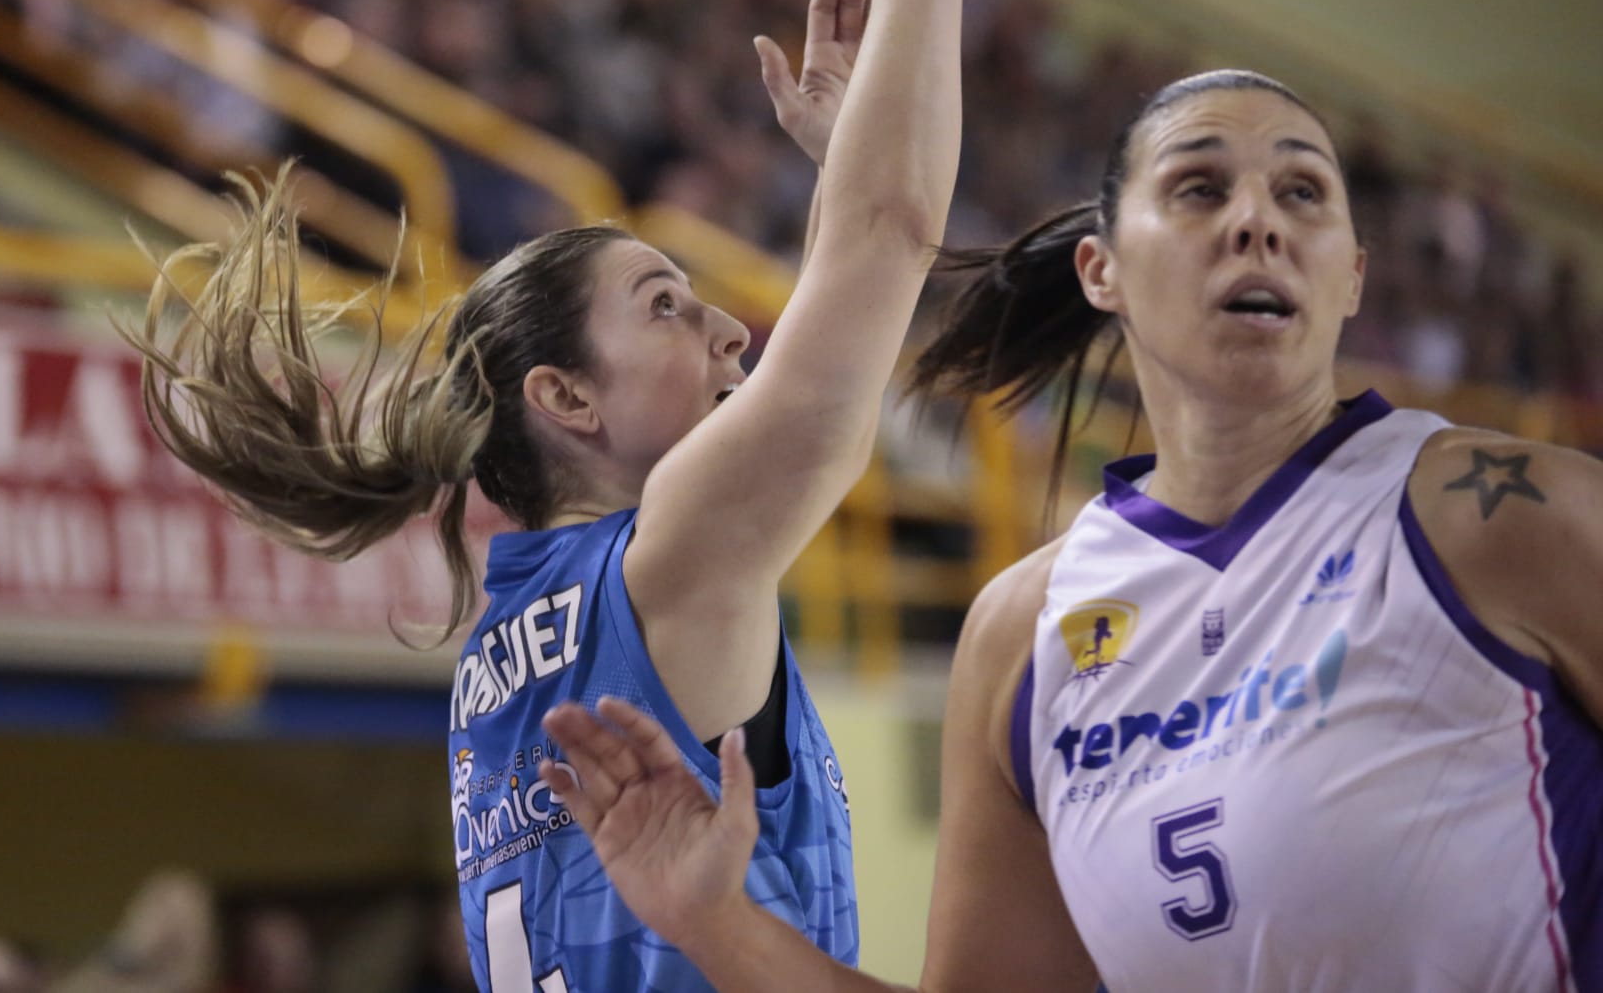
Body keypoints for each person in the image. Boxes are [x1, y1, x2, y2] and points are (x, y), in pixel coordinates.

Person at [129, 0, 1023, 992]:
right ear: (565, 398)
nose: (730, 337)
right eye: (665, 303)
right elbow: (888, 231)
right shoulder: (667, 561)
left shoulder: (507, 651)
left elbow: (868, 235)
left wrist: (856, 146)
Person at [536, 68, 1603, 991]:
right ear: (1101, 271)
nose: (1255, 221)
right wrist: (710, 919)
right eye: (1197, 188)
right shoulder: (1023, 632)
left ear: (1351, 274)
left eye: (1300, 192)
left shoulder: (1500, 515)